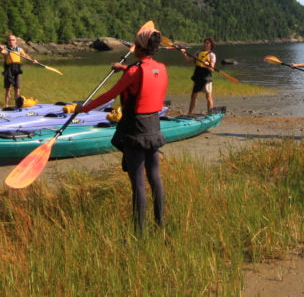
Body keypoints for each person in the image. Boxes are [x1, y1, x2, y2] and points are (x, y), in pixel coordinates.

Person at [75, 22, 169, 233]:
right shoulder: (160, 68)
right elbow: (144, 75)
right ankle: (161, 225)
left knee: (137, 183)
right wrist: (125, 68)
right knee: (155, 177)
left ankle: (139, 234)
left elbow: (109, 95)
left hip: (135, 128)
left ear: (140, 46)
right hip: (154, 126)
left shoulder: (134, 72)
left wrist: (84, 108)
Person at [0, 33, 39, 108]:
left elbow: (25, 56)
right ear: (8, 41)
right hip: (8, 70)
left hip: (17, 69)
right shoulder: (6, 49)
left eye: (13, 40)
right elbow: (3, 53)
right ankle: (6, 106)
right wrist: (1, 49)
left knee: (17, 89)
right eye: (9, 40)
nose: (11, 41)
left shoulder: (19, 49)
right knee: (8, 89)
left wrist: (32, 60)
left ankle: (17, 105)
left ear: (15, 41)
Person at [183, 37, 216, 114]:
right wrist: (184, 53)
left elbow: (212, 69)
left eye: (207, 43)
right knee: (193, 96)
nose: (205, 44)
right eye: (205, 42)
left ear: (211, 45)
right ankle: (189, 113)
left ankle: (210, 114)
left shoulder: (212, 55)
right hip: (197, 77)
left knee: (208, 96)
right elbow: (188, 60)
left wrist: (208, 65)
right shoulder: (198, 52)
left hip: (206, 77)